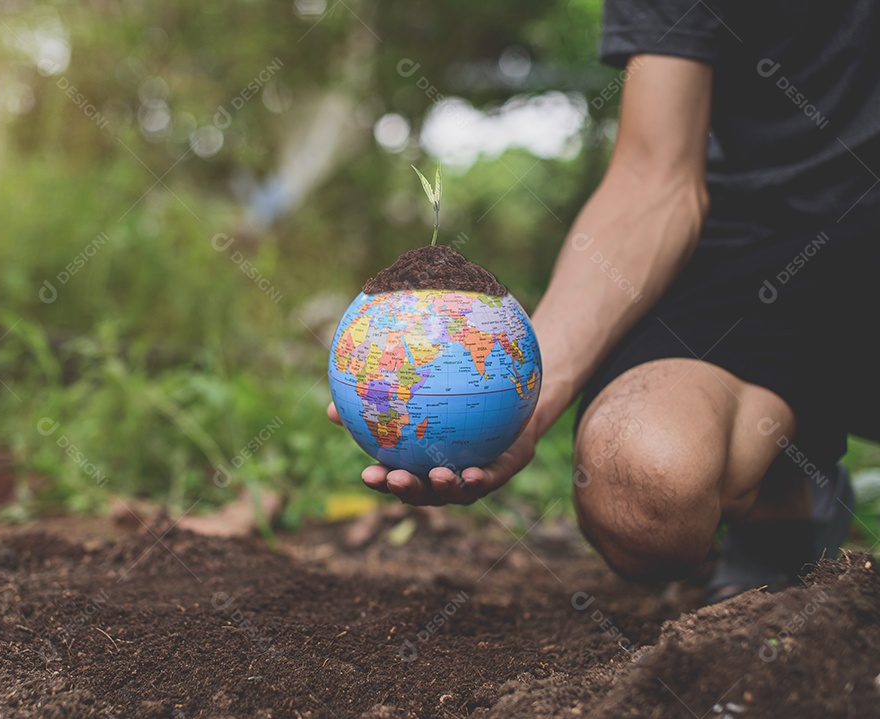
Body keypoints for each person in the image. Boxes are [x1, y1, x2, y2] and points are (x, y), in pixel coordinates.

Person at [328, 0, 880, 601]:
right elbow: (655, 178)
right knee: (639, 485)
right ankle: (783, 500)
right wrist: (528, 403)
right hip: (758, 249)